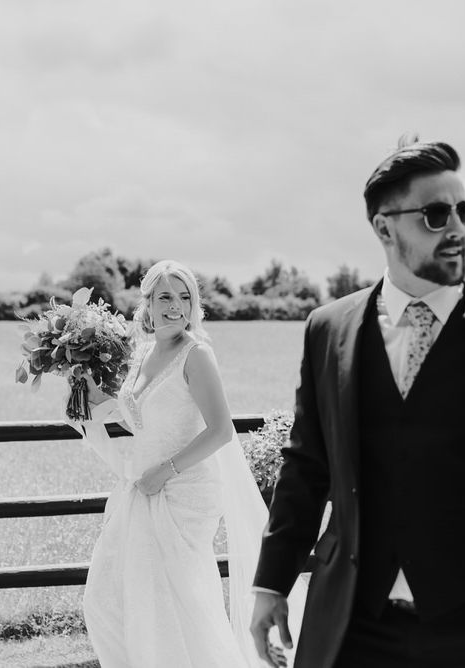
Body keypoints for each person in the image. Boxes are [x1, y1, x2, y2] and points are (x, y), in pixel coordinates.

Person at [250, 137, 465, 668]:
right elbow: (306, 465)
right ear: (384, 227)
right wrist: (270, 584)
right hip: (357, 624)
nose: (458, 228)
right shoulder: (328, 329)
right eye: (436, 214)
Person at [76, 260, 305, 668]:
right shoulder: (145, 352)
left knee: (173, 607)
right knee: (106, 599)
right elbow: (143, 418)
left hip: (184, 491)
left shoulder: (196, 354)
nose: (176, 306)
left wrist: (165, 471)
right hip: (141, 486)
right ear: (147, 303)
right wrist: (90, 394)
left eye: (185, 297)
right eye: (165, 297)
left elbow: (220, 430)